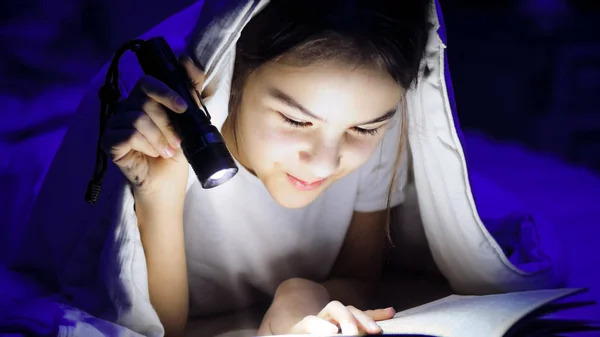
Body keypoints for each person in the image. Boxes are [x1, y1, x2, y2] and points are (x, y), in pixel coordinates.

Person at [95, 0, 430, 335]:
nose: (324, 163)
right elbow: (156, 328)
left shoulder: (382, 123)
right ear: (236, 75)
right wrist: (158, 197)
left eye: (363, 129)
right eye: (296, 120)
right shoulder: (171, 136)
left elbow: (361, 277)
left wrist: (301, 294)